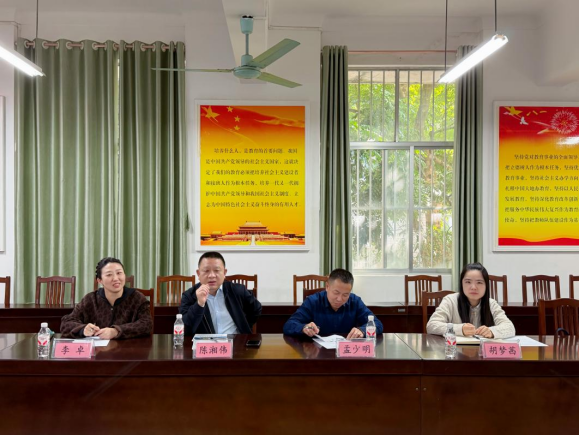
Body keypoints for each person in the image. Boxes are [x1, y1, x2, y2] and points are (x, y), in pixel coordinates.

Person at [61, 257, 153, 339]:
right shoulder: (90, 299)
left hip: (128, 350)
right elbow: (66, 323)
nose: (116, 278)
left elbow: (147, 324)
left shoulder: (137, 298)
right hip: (98, 351)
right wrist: (82, 329)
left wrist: (116, 331)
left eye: (119, 273)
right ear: (99, 280)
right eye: (109, 275)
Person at [283, 268, 383, 338]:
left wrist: (362, 330)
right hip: (318, 354)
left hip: (346, 353)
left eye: (345, 295)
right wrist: (304, 328)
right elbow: (289, 325)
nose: (339, 299)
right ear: (327, 287)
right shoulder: (313, 301)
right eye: (336, 293)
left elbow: (378, 324)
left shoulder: (355, 301)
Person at [179, 252, 262, 335]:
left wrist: (243, 326)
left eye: (217, 270)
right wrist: (199, 304)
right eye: (206, 271)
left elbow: (256, 309)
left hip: (235, 341)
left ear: (224, 273)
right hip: (206, 342)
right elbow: (186, 328)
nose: (211, 275)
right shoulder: (189, 296)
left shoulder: (237, 290)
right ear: (198, 273)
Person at [426, 262, 516, 339]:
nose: (473, 287)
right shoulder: (450, 301)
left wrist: (492, 331)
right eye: (468, 282)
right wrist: (459, 329)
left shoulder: (491, 304)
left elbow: (510, 328)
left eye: (479, 282)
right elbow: (431, 325)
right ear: (462, 284)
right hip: (457, 351)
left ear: (486, 286)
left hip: (483, 352)